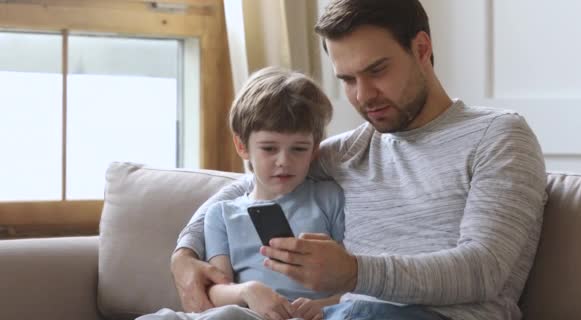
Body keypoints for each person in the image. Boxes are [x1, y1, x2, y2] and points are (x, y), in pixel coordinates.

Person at [171, 1, 547, 319]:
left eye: (376, 71)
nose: (363, 96)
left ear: (421, 48)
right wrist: (184, 254)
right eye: (348, 80)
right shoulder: (350, 150)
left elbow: (485, 270)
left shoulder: (498, 136)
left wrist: (354, 273)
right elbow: (250, 186)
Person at [140, 67, 346, 320]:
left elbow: (352, 279)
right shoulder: (221, 214)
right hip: (247, 311)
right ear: (242, 146)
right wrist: (250, 291)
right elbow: (217, 291)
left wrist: (325, 305)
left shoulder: (330, 198)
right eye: (269, 148)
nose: (284, 161)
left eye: (299, 149)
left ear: (314, 150)